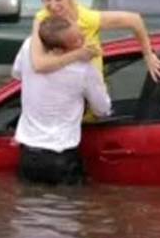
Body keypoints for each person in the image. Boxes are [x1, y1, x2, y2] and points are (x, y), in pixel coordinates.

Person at [11, 15, 112, 186]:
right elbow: (102, 109)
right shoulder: (85, 69)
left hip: (29, 157)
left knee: (28, 209)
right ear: (58, 50)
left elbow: (17, 73)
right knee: (65, 209)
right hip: (62, 159)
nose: (84, 40)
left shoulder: (28, 48)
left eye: (81, 34)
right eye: (77, 41)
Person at [28, 0, 160, 82]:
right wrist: (78, 55)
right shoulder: (42, 20)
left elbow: (135, 20)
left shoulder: (87, 19)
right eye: (47, 0)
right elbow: (39, 64)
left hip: (92, 93)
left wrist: (148, 55)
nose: (53, 6)